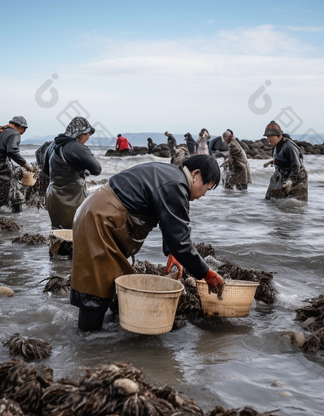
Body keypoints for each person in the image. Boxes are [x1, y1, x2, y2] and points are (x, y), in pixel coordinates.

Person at [70, 155, 225, 331]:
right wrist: (206, 273)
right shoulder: (175, 185)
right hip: (100, 218)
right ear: (196, 174)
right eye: (207, 188)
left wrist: (172, 251)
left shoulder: (172, 176)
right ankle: (87, 344)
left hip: (98, 211)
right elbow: (180, 241)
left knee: (114, 279)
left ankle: (108, 335)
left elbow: (169, 221)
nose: (202, 195)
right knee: (96, 286)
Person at [42, 116, 102, 229]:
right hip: (71, 200)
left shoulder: (52, 146)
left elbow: (46, 170)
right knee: (73, 234)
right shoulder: (76, 147)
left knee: (57, 234)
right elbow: (97, 169)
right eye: (88, 134)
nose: (88, 137)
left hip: (53, 197)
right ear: (80, 133)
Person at [262, 120, 308, 200]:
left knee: (294, 203)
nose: (268, 139)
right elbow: (281, 159)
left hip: (296, 176)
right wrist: (270, 162)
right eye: (267, 137)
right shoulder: (277, 145)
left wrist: (290, 180)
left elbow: (296, 165)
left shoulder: (288, 146)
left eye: (271, 136)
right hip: (282, 173)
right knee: (271, 198)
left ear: (279, 136)